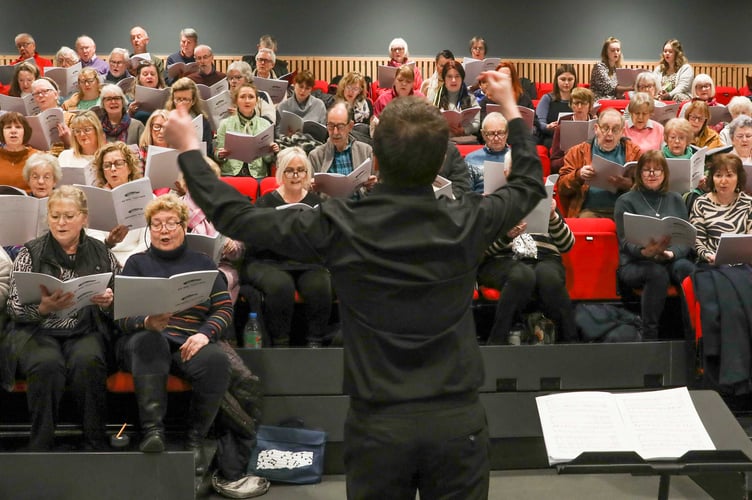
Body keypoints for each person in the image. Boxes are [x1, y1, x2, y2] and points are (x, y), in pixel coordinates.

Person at [166, 69, 546, 500]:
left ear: (376, 158)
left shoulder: (342, 225)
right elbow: (530, 182)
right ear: (442, 157)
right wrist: (511, 108)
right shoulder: (468, 220)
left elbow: (238, 217)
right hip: (457, 424)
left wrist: (190, 152)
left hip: (377, 428)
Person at [114, 194, 233, 472]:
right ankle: (154, 432)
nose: (164, 230)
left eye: (171, 223)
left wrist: (204, 334)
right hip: (144, 339)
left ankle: (196, 439)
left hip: (189, 339)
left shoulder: (203, 262)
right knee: (149, 341)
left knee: (216, 360)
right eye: (156, 224)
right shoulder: (136, 264)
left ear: (184, 227)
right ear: (149, 229)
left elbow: (224, 308)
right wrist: (145, 321)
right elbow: (119, 316)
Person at [1, 186, 118, 450]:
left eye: (68, 215)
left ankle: (94, 442)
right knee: (46, 364)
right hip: (36, 332)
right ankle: (41, 443)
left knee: (88, 360)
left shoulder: (102, 253)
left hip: (84, 328)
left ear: (84, 218)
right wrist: (42, 309)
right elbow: (14, 307)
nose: (61, 222)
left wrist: (108, 303)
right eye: (55, 216)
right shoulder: (30, 252)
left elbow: (121, 303)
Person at [246, 147, 332, 347]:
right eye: (290, 170)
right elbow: (253, 242)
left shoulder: (315, 203)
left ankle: (315, 342)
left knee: (320, 284)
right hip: (269, 261)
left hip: (305, 262)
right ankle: (280, 342)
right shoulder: (265, 203)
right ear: (280, 173)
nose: (296, 175)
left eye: (301, 170)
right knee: (280, 286)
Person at [478, 173, 577, 344]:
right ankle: (497, 341)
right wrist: (506, 236)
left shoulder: (543, 200)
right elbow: (481, 249)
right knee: (522, 276)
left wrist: (552, 217)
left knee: (548, 277)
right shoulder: (493, 203)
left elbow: (567, 244)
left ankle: (570, 341)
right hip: (503, 258)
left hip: (544, 258)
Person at [614, 150, 695, 340]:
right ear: (639, 174)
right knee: (656, 273)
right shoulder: (625, 201)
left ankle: (693, 332)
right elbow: (624, 241)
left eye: (657, 170)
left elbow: (685, 240)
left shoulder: (675, 199)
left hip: (670, 259)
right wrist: (645, 251)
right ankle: (650, 335)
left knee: (688, 268)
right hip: (636, 263)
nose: (652, 174)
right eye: (647, 170)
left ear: (665, 173)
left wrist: (671, 254)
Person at [557, 108, 642, 218]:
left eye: (615, 130)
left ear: (622, 132)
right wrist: (579, 175)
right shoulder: (577, 152)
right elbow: (562, 188)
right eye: (605, 128)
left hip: (623, 210)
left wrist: (627, 184)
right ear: (596, 128)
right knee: (585, 220)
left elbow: (645, 189)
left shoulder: (634, 152)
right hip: (589, 210)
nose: (609, 134)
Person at [87, 142, 148, 266]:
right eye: (107, 165)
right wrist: (109, 242)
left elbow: (147, 241)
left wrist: (127, 262)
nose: (113, 169)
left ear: (130, 167)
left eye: (119, 163)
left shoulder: (147, 197)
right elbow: (93, 238)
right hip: (104, 259)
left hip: (138, 260)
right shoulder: (95, 199)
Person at [690, 153, 752, 264]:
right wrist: (709, 255)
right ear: (712, 178)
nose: (723, 181)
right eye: (718, 175)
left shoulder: (748, 203)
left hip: (742, 264)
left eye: (729, 175)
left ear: (738, 178)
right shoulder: (701, 203)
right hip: (710, 263)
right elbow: (697, 241)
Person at [215, 82, 278, 177]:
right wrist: (220, 154)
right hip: (231, 174)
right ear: (236, 101)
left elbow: (268, 160)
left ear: (256, 101)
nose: (247, 101)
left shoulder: (265, 124)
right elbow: (217, 154)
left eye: (251, 97)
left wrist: (272, 151)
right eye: (242, 97)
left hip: (258, 175)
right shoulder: (225, 124)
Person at [309, 102, 375, 183]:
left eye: (340, 126)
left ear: (350, 126)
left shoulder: (366, 151)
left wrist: (372, 184)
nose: (335, 132)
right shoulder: (316, 156)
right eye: (331, 126)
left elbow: (374, 183)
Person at [478, 61, 536, 142]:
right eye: (500, 77)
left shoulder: (523, 98)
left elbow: (535, 122)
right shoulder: (487, 100)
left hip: (519, 137)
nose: (503, 80)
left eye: (507, 77)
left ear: (513, 79)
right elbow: (482, 124)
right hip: (494, 138)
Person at [550, 87, 596, 174]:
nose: (579, 107)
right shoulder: (562, 127)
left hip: (592, 170)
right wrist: (568, 156)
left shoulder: (598, 126)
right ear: (571, 104)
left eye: (583, 103)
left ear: (590, 105)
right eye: (575, 103)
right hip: (569, 170)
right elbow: (553, 165)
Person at [164, 77, 214, 156]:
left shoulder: (203, 123)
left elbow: (208, 151)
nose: (181, 103)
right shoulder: (164, 118)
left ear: (193, 101)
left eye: (185, 99)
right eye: (178, 99)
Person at [465, 112, 510, 193]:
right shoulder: (471, 159)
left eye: (500, 133)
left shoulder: (517, 157)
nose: (496, 139)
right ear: (483, 134)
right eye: (491, 134)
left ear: (507, 133)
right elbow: (465, 194)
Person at [433, 60, 480, 137]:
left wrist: (464, 130)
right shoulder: (435, 98)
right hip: (442, 140)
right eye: (449, 76)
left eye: (457, 76)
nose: (453, 80)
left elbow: (477, 123)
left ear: (462, 78)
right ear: (444, 79)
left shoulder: (470, 98)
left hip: (464, 140)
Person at [58, 111, 106, 185]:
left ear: (97, 131)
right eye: (77, 131)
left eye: (87, 130)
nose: (82, 134)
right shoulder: (65, 156)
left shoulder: (107, 156)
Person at [536, 64, 577, 148]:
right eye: (563, 79)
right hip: (552, 137)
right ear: (557, 80)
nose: (566, 83)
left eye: (570, 79)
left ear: (575, 80)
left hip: (574, 137)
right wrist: (548, 126)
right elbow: (539, 122)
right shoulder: (547, 98)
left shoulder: (578, 100)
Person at [275, 70, 327, 136]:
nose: (303, 91)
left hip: (313, 143)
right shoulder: (282, 106)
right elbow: (278, 132)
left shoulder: (319, 105)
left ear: (311, 89)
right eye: (301, 86)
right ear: (294, 85)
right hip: (289, 142)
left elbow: (323, 132)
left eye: (307, 88)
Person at [0, 112, 38, 193]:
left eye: (18, 127)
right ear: (1, 133)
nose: (13, 131)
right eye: (8, 127)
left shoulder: (38, 157)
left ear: (25, 132)